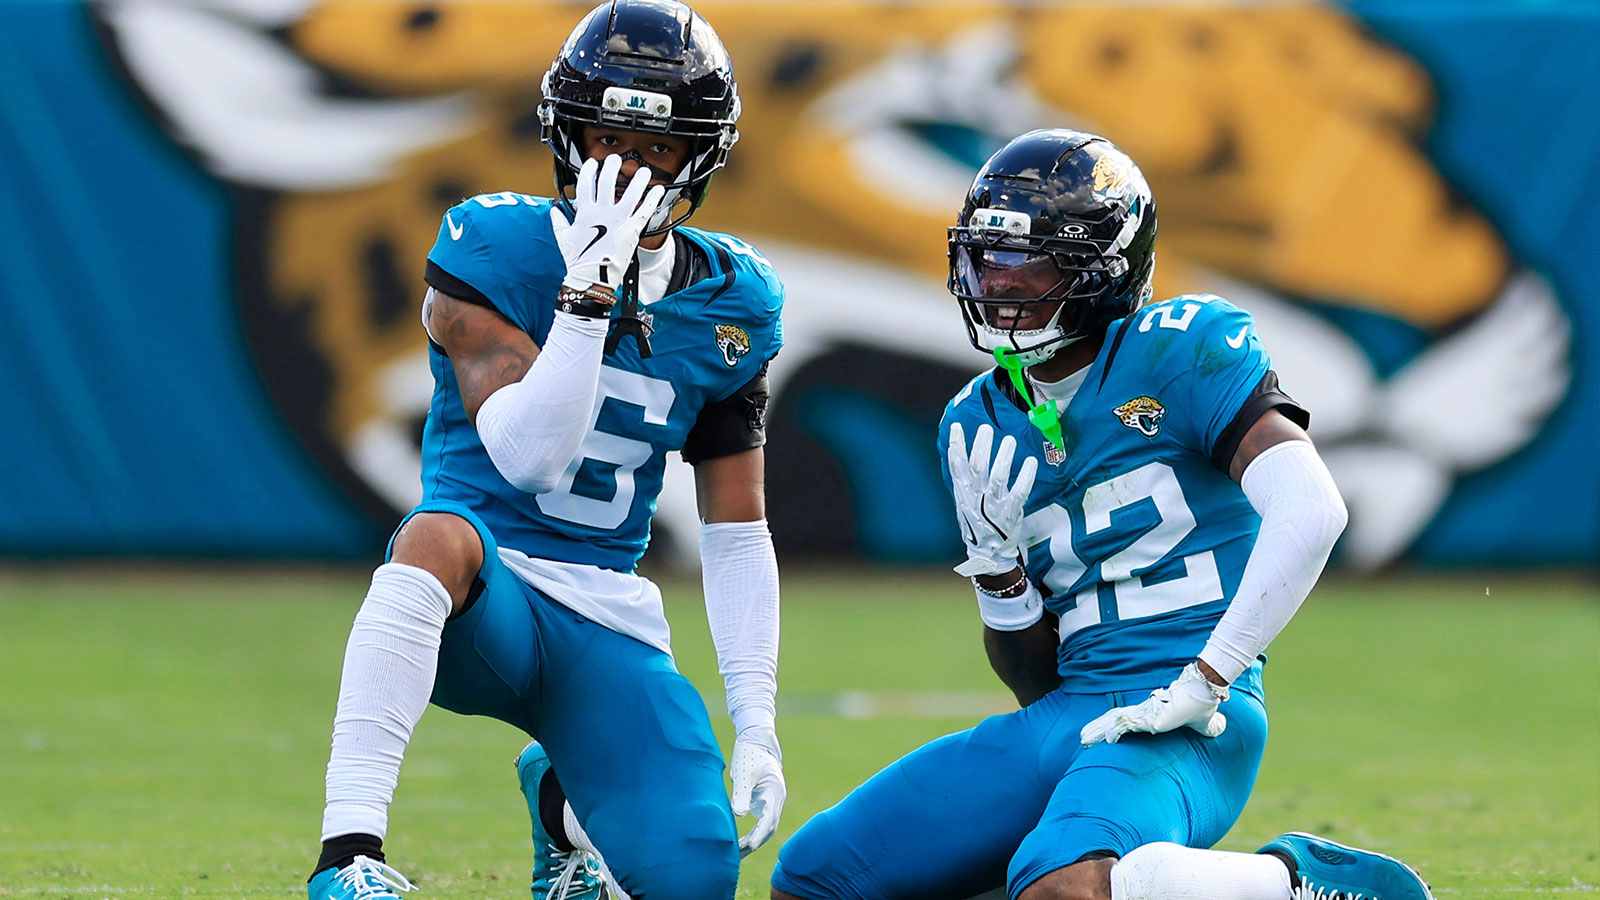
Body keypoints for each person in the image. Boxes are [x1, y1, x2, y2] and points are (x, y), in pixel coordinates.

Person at [770, 129, 1432, 900]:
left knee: (1062, 886)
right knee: (818, 878)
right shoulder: (975, 418)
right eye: (988, 255)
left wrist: (1210, 674)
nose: (1000, 280)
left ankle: (1296, 882)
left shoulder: (1181, 349)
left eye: (1028, 259)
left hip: (1193, 712)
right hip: (1071, 715)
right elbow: (1036, 682)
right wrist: (999, 577)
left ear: (1102, 272)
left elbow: (1313, 509)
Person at [305, 3, 786, 899]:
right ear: (566, 134)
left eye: (658, 149)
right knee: (434, 533)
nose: (630, 170)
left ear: (702, 156)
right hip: (476, 598)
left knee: (695, 875)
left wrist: (757, 721)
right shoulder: (495, 245)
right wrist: (587, 294)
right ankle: (349, 858)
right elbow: (528, 459)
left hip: (607, 613)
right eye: (607, 140)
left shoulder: (734, 299)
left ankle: (562, 805)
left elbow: (736, 530)